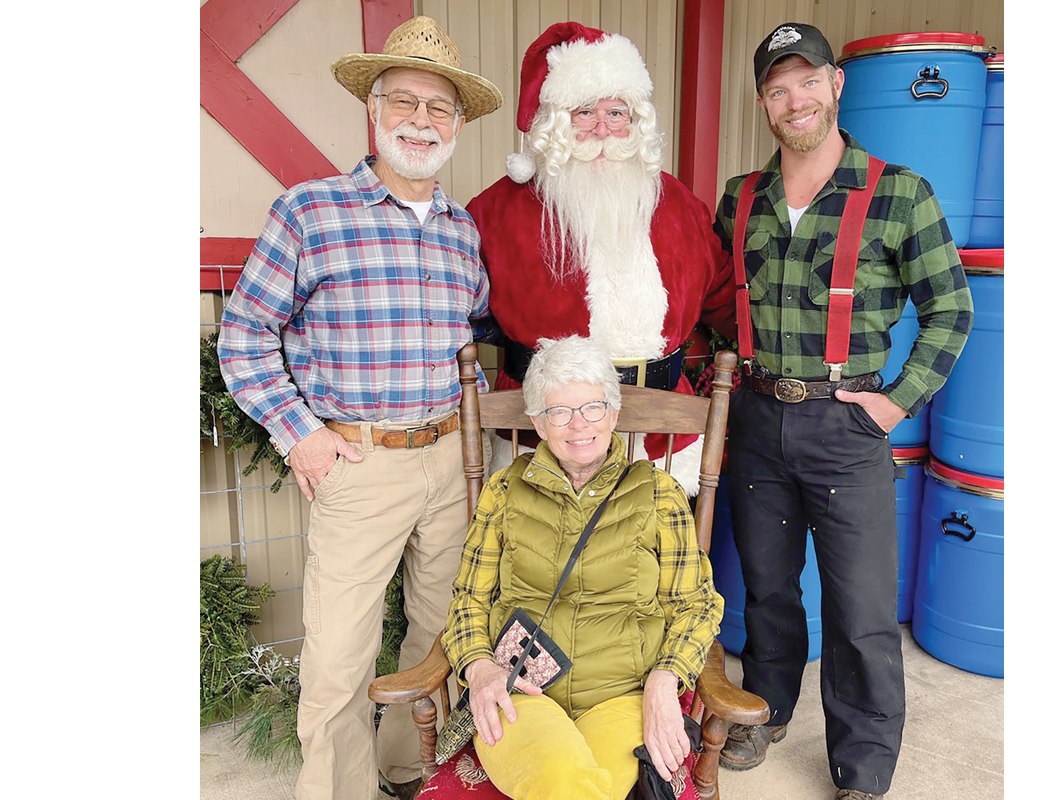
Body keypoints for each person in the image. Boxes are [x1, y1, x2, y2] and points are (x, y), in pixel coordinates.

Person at [216, 16, 502, 800]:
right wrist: (298, 432)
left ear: (458, 124)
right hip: (359, 462)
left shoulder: (461, 232)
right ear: (372, 113)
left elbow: (467, 341)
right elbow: (243, 336)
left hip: (451, 464)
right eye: (402, 101)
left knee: (441, 631)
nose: (420, 120)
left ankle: (408, 772)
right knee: (340, 655)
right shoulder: (310, 212)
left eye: (438, 107)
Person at [712, 23, 975, 800]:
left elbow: (952, 311)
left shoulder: (900, 192)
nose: (793, 100)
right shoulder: (742, 197)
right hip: (758, 421)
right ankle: (766, 709)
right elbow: (719, 306)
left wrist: (896, 403)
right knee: (767, 589)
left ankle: (862, 767)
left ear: (835, 85)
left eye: (806, 81)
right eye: (776, 87)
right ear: (764, 101)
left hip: (846, 426)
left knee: (861, 611)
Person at [441, 335, 723, 800]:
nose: (578, 425)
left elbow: (697, 605)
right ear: (537, 421)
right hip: (521, 693)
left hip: (624, 694)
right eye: (559, 411)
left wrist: (664, 679)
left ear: (613, 413)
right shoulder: (504, 491)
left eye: (592, 407)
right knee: (562, 783)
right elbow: (468, 599)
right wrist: (478, 667)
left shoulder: (657, 493)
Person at [466, 22, 737, 495]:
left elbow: (726, 296)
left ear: (637, 123)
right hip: (539, 436)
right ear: (554, 121)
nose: (602, 129)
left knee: (652, 562)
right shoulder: (495, 210)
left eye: (617, 112)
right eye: (584, 111)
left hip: (661, 431)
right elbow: (461, 310)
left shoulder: (678, 205)